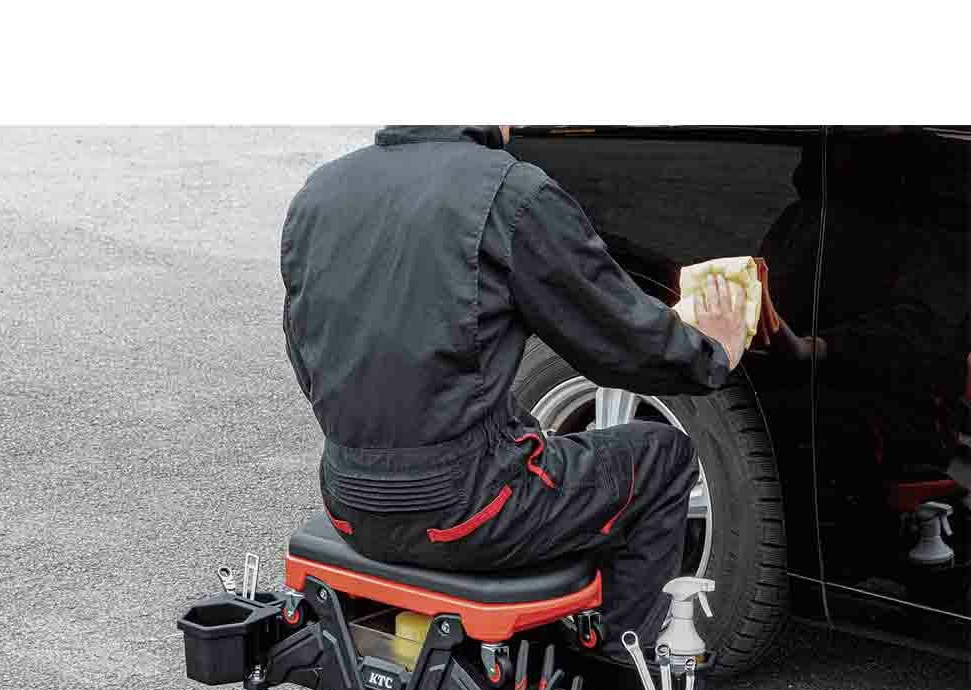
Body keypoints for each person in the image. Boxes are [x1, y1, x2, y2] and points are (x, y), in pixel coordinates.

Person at [280, 126, 746, 661]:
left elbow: (307, 356)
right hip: (469, 513)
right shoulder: (513, 195)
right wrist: (712, 350)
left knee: (515, 432)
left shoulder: (318, 194)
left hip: (349, 504)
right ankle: (621, 670)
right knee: (663, 456)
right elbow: (615, 337)